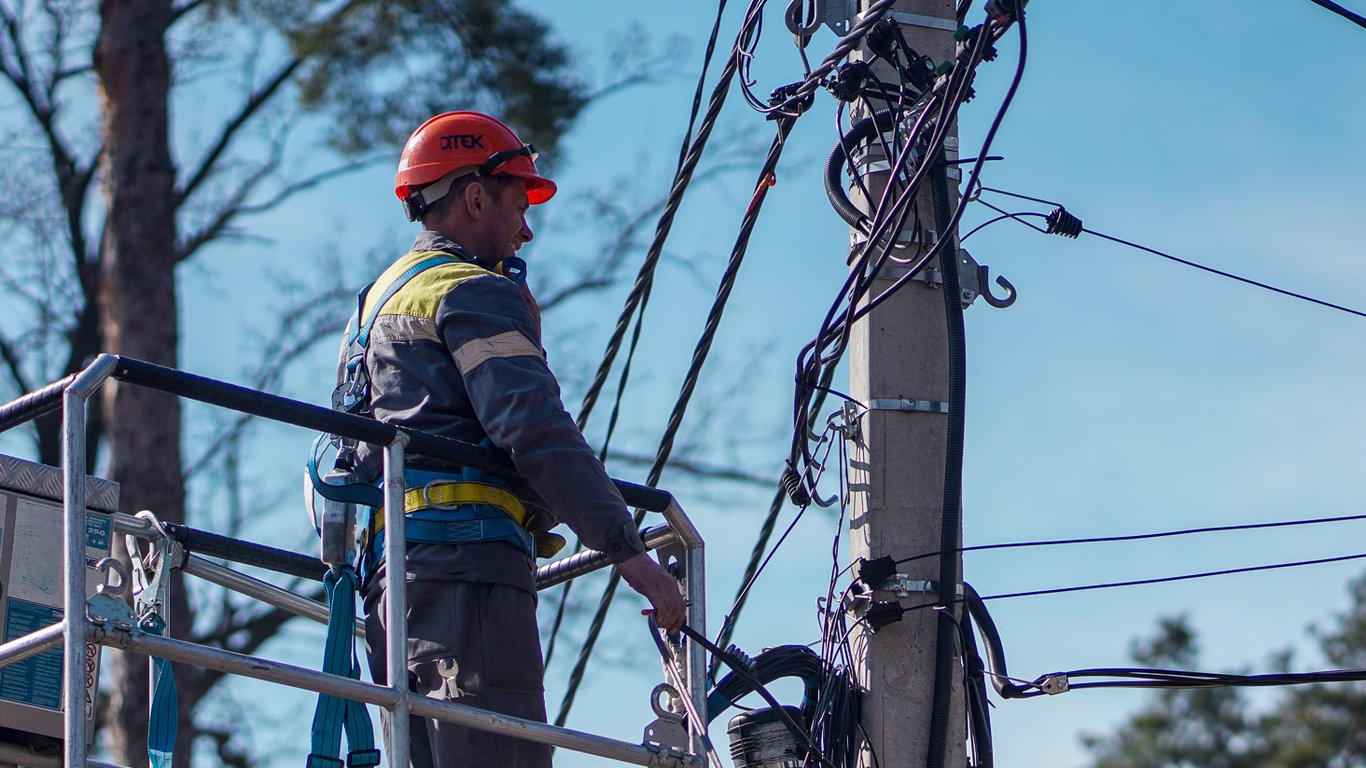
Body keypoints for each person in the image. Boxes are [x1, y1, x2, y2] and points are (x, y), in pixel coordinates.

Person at [337, 111, 685, 768]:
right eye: (519, 204)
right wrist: (626, 548)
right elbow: (532, 426)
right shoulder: (471, 289)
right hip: (469, 581)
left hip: (397, 591)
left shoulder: (376, 302)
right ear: (474, 197)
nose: (526, 232)